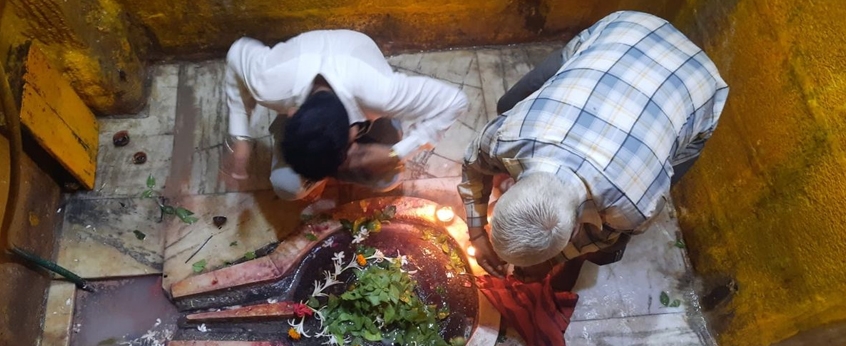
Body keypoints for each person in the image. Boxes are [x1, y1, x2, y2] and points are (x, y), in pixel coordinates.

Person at [459, 11, 729, 290]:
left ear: (576, 229)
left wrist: (553, 261)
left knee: (609, 251)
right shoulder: (509, 134)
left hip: (700, 86)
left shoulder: (633, 207)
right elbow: (473, 163)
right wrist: (477, 233)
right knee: (509, 102)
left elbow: (603, 238)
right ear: (512, 186)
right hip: (627, 29)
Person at [224, 30, 469, 200]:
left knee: (388, 177)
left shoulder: (383, 94)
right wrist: (240, 137)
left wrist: (398, 152)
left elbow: (455, 101)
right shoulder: (268, 81)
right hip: (304, 67)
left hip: (363, 79)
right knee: (287, 187)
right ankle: (321, 165)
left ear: (355, 133)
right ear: (292, 113)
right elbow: (236, 53)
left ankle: (375, 137)